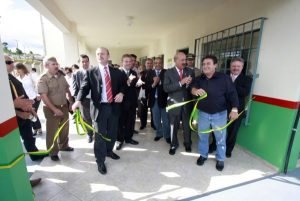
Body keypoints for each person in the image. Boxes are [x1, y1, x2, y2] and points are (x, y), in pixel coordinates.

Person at [72, 47, 126, 175]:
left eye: (102, 54)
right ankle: (100, 160)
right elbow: (84, 88)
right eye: (97, 54)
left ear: (108, 55)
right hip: (99, 108)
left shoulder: (117, 72)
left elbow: (124, 85)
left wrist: (122, 93)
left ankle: (109, 151)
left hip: (113, 107)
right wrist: (78, 100)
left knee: (112, 133)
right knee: (100, 136)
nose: (100, 56)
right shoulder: (91, 72)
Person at [191, 55, 239, 171]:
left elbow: (232, 94)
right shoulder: (200, 78)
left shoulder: (224, 78)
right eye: (204, 64)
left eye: (208, 63)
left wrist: (234, 109)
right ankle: (203, 155)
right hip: (203, 113)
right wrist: (195, 90)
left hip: (220, 114)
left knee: (220, 138)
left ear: (215, 65)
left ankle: (220, 159)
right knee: (203, 136)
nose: (205, 66)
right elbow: (192, 88)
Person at [5, 55, 44, 161]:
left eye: (12, 61)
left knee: (28, 136)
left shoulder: (10, 76)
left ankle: (34, 154)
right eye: (8, 62)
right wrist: (18, 113)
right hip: (13, 117)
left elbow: (23, 95)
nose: (12, 64)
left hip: (25, 114)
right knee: (14, 144)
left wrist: (31, 109)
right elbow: (4, 104)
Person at [38, 57, 74, 161]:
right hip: (51, 109)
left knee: (64, 128)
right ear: (46, 66)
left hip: (64, 107)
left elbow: (67, 90)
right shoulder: (43, 78)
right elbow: (44, 97)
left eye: (56, 64)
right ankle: (53, 151)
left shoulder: (61, 76)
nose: (56, 66)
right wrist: (54, 110)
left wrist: (71, 102)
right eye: (53, 64)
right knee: (52, 131)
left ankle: (64, 146)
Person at [163, 52, 194, 155]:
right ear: (175, 60)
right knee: (173, 126)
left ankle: (188, 143)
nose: (184, 62)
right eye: (182, 60)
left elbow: (192, 87)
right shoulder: (168, 72)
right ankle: (173, 144)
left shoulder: (189, 71)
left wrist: (189, 85)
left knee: (187, 125)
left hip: (187, 104)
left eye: (185, 60)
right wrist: (181, 83)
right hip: (174, 104)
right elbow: (166, 88)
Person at [226, 57, 252, 157]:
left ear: (242, 67)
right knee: (219, 129)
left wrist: (231, 84)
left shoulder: (247, 79)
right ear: (230, 66)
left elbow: (244, 93)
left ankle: (228, 150)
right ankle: (214, 145)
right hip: (222, 108)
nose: (236, 68)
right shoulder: (224, 76)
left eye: (238, 66)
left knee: (233, 131)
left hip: (238, 109)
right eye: (234, 66)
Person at [116, 54, 139, 150]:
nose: (128, 63)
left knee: (131, 122)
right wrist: (128, 82)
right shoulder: (117, 72)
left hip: (132, 102)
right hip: (121, 103)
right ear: (122, 62)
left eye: (130, 61)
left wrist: (137, 84)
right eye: (126, 61)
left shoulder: (133, 72)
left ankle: (128, 138)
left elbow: (133, 87)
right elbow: (117, 87)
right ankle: (120, 140)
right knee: (120, 123)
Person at [147, 57, 170, 143]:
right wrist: (154, 84)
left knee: (166, 120)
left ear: (162, 64)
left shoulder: (167, 72)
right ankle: (159, 134)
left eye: (159, 63)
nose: (157, 64)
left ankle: (167, 135)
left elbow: (168, 86)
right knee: (156, 120)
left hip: (164, 100)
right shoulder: (150, 73)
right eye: (156, 63)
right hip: (154, 100)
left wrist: (159, 82)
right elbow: (147, 87)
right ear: (154, 63)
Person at [15, 63, 42, 136]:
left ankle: (38, 128)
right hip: (25, 100)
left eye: (18, 68)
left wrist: (38, 94)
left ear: (22, 68)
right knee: (30, 114)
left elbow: (38, 84)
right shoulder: (17, 78)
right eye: (16, 69)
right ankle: (35, 129)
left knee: (33, 112)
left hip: (34, 97)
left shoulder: (30, 75)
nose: (17, 70)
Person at [73, 54, 94, 143]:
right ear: (80, 63)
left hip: (94, 99)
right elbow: (75, 88)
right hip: (83, 100)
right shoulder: (76, 74)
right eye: (83, 62)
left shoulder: (94, 71)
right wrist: (77, 101)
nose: (85, 63)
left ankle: (99, 133)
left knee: (96, 117)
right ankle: (89, 134)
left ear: (89, 62)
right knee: (86, 118)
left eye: (86, 61)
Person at [140, 58, 156, 130]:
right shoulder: (142, 73)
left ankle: (153, 124)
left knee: (153, 109)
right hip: (144, 93)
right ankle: (143, 124)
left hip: (153, 93)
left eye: (150, 63)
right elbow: (141, 84)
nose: (149, 64)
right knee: (143, 110)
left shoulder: (155, 72)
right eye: (148, 63)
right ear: (145, 64)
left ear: (153, 64)